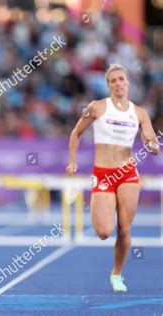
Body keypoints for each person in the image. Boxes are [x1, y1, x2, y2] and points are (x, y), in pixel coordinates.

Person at [66, 64, 160, 292]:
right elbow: (76, 132)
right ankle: (114, 266)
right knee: (103, 231)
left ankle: (117, 273)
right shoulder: (97, 107)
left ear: (128, 82)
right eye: (113, 80)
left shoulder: (139, 112)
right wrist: (72, 160)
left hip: (127, 173)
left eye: (121, 79)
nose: (118, 83)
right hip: (104, 173)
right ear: (108, 85)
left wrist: (151, 143)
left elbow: (153, 143)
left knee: (125, 230)